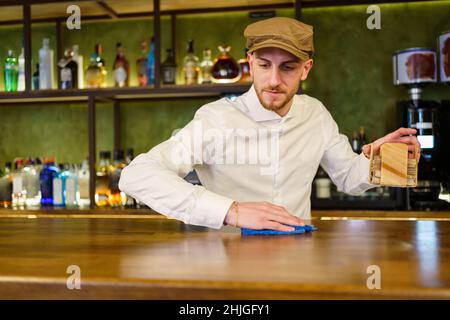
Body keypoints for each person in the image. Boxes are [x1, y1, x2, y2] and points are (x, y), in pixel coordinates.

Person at [119, 17, 420, 232]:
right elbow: (136, 175)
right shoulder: (215, 119)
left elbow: (348, 178)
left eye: (288, 68)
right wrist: (231, 212)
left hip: (298, 260)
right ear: (249, 62)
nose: (274, 80)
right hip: (226, 263)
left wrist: (380, 159)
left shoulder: (315, 114)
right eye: (264, 65)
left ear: (306, 69)